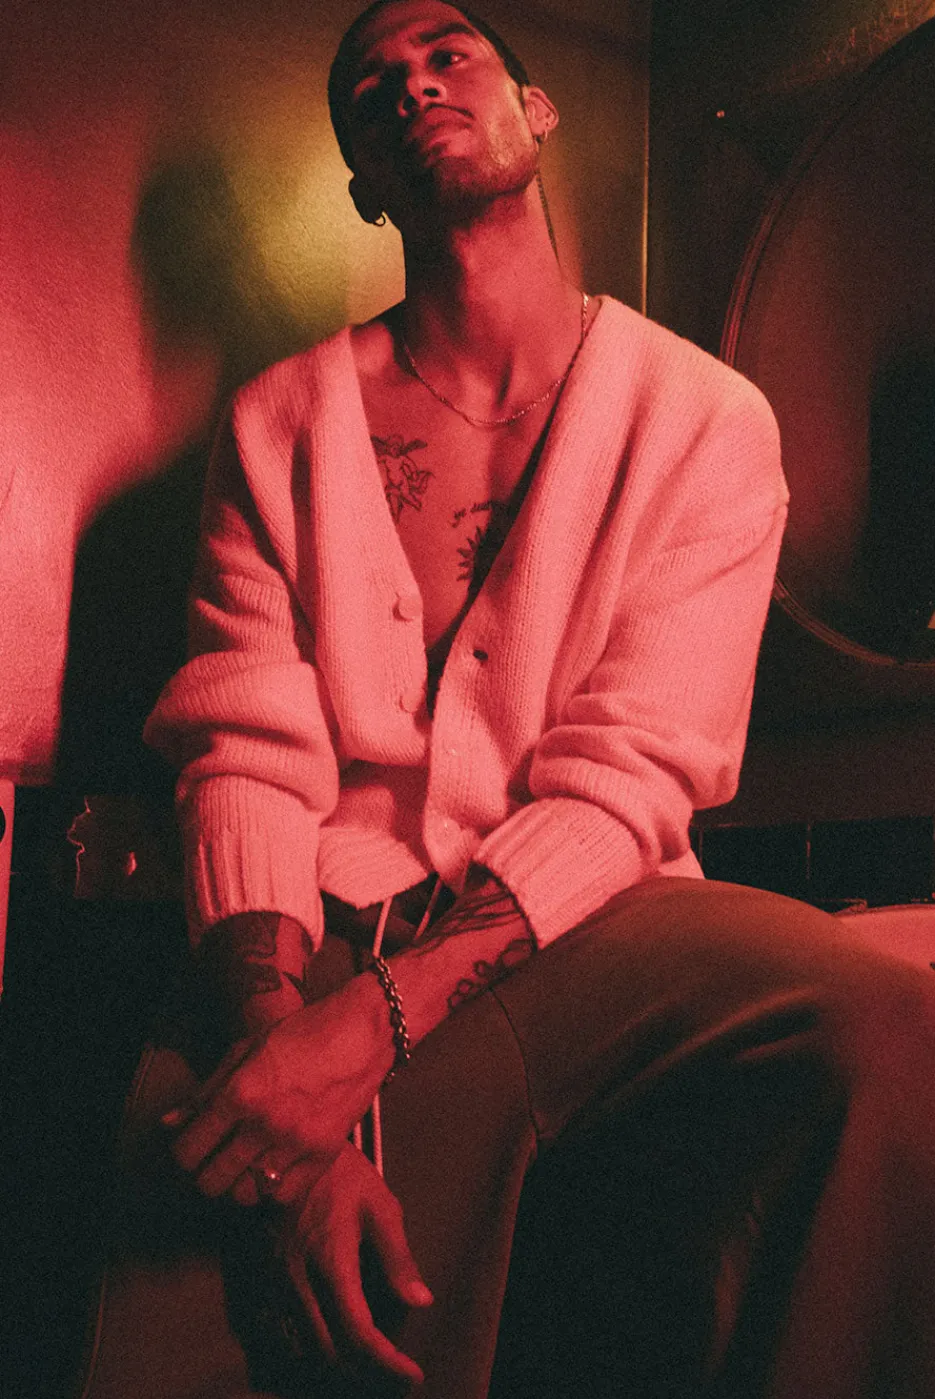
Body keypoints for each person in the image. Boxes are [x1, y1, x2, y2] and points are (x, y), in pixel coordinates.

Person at [145, 3, 935, 1395]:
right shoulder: (279, 422)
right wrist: (282, 1050)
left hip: (602, 915)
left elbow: (633, 773)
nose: (413, 86)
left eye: (446, 54)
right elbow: (244, 754)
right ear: (361, 184)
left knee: (882, 1024)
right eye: (372, 89)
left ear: (537, 109)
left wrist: (374, 1026)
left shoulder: (705, 418)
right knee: (188, 1211)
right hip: (324, 907)